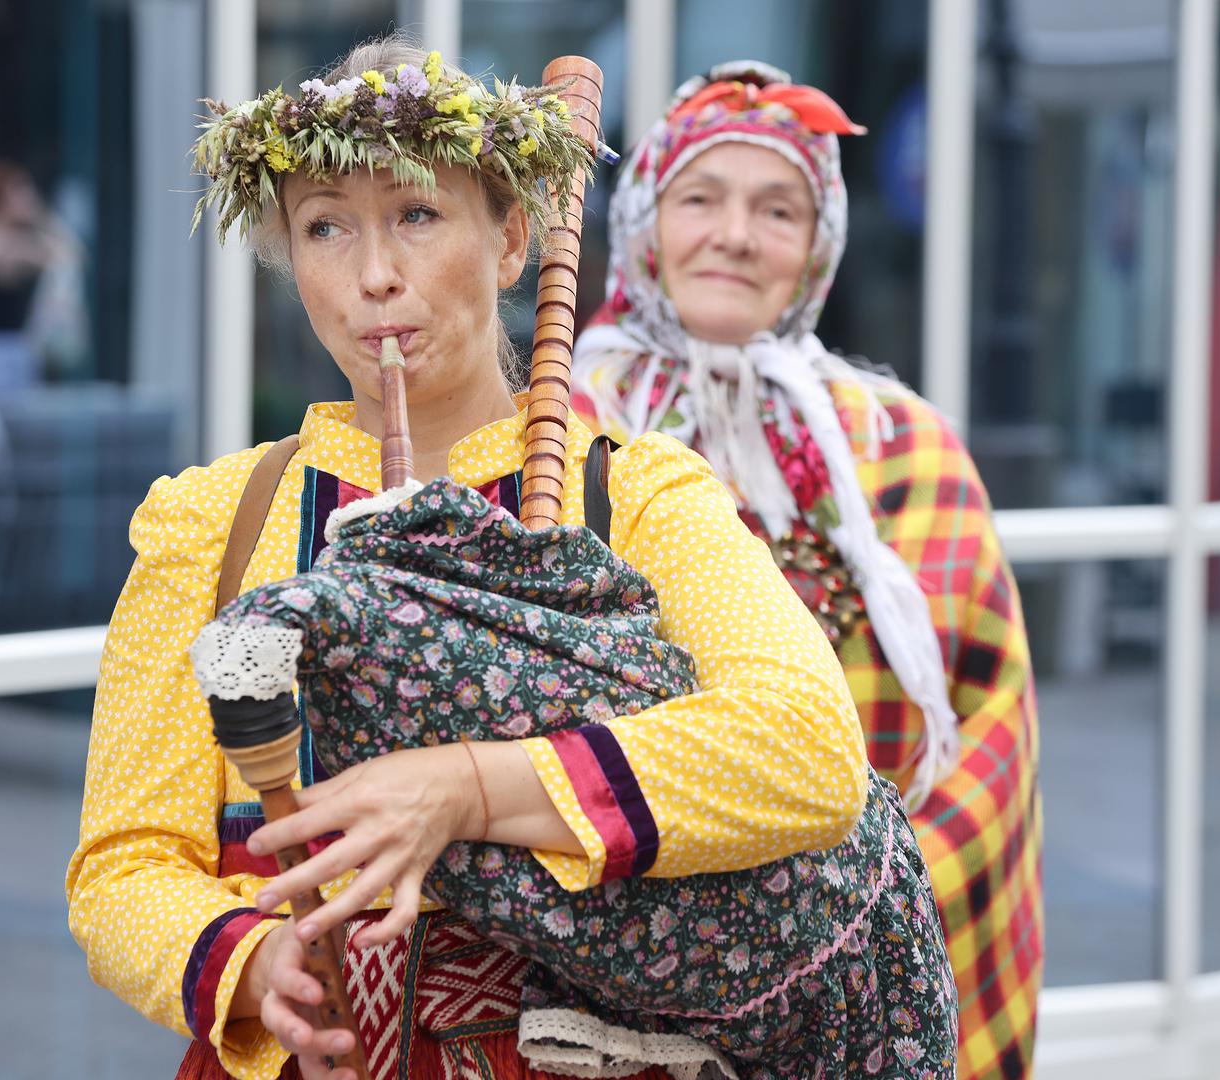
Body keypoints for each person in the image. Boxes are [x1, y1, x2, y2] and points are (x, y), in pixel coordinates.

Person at [67, 39, 954, 1080]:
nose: (375, 276)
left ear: (512, 239)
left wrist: (466, 788)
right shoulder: (210, 525)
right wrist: (256, 967)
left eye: (416, 214)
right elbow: (124, 865)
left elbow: (804, 749)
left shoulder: (635, 495)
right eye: (324, 228)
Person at [571, 61, 1043, 1080]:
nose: (734, 235)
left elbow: (988, 712)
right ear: (647, 221)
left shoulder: (900, 443)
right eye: (699, 197)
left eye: (776, 208)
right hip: (625, 941)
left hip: (881, 950)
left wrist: (871, 904)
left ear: (816, 247)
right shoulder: (556, 437)